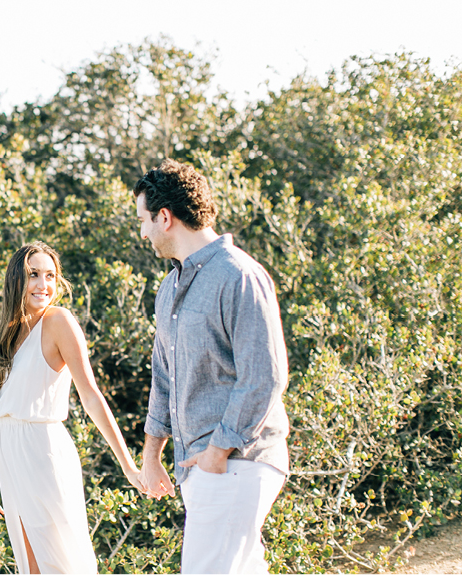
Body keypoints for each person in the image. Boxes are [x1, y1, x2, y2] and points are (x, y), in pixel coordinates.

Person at [134, 159, 290, 574]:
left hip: (238, 462)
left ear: (165, 217)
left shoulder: (238, 274)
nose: (143, 232)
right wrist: (152, 455)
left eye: (144, 220)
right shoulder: (169, 288)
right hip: (202, 468)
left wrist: (218, 452)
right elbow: (163, 377)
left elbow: (265, 376)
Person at [0, 241, 142, 574]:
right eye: (34, 274)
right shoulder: (1, 332)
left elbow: (91, 395)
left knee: (63, 563)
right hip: (10, 458)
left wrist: (128, 466)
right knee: (31, 566)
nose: (43, 285)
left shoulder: (59, 322)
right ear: (16, 279)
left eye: (50, 276)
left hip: (42, 453)